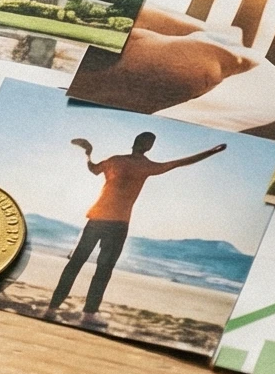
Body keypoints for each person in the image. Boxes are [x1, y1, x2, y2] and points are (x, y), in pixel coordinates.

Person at [41, 128, 226, 328]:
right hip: (118, 224)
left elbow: (93, 169)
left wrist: (88, 153)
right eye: (150, 142)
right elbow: (180, 163)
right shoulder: (147, 166)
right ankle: (87, 314)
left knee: (76, 263)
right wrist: (211, 152)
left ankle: (52, 309)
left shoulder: (115, 160)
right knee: (103, 269)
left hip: (97, 219)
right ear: (147, 146)